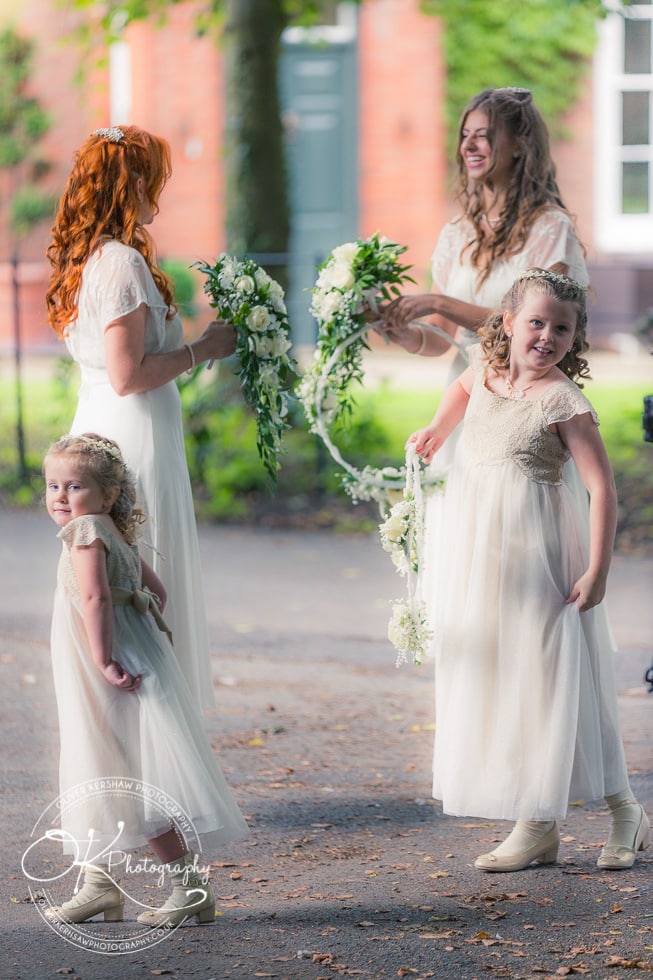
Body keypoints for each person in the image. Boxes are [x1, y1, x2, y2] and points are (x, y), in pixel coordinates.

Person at [407, 268, 650, 873]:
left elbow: (603, 489)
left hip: (543, 559)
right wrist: (438, 430)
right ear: (508, 323)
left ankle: (611, 814)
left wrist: (598, 570)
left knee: (554, 683)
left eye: (561, 329)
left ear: (574, 338)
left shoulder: (564, 401)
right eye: (536, 322)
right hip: (484, 561)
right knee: (507, 680)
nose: (546, 336)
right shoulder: (485, 374)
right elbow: (462, 391)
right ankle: (546, 823)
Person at [46, 125, 235, 709]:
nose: (161, 189)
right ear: (130, 184)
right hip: (131, 430)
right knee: (133, 569)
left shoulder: (87, 260)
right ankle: (150, 723)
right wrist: (204, 349)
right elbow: (128, 374)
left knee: (110, 566)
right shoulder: (122, 263)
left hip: (99, 418)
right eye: (154, 177)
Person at [42, 433, 249, 926]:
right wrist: (142, 634)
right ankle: (101, 885)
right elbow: (156, 590)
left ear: (108, 494)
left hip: (105, 663)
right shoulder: (116, 532)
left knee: (120, 765)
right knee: (112, 762)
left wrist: (103, 656)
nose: (60, 498)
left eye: (75, 486)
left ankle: (186, 888)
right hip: (133, 651)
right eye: (52, 486)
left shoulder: (86, 532)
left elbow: (93, 598)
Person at [379, 87, 589, 375]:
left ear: (519, 145)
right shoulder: (457, 233)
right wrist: (397, 330)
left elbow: (532, 328)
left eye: (482, 135)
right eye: (465, 135)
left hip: (521, 396)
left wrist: (439, 303)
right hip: (463, 394)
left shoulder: (551, 229)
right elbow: (439, 340)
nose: (467, 146)